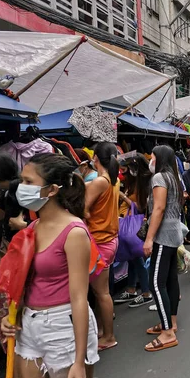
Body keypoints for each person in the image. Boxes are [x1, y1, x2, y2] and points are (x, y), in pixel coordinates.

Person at [1, 153, 98, 378]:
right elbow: (24, 282)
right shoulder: (31, 229)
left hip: (63, 328)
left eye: (28, 182)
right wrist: (10, 316)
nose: (21, 188)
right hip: (29, 326)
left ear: (53, 189)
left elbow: (79, 298)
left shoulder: (74, 232)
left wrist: (79, 361)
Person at [143, 145, 183, 351]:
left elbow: (158, 208)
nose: (150, 160)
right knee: (170, 279)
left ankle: (167, 333)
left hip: (163, 235)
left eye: (152, 157)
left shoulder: (159, 178)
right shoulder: (174, 178)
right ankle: (171, 322)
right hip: (174, 232)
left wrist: (149, 239)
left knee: (156, 283)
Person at [85, 142, 120, 351]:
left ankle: (108, 336)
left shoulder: (101, 181)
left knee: (101, 293)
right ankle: (101, 330)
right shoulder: (113, 181)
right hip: (108, 239)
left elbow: (84, 210)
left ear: (96, 158)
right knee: (101, 292)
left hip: (99, 241)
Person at [114, 154, 153, 308]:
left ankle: (146, 292)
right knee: (132, 258)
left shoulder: (144, 184)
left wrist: (122, 196)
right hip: (127, 223)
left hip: (135, 226)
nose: (123, 173)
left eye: (125, 169)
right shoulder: (133, 182)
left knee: (138, 259)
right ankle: (131, 289)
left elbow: (141, 207)